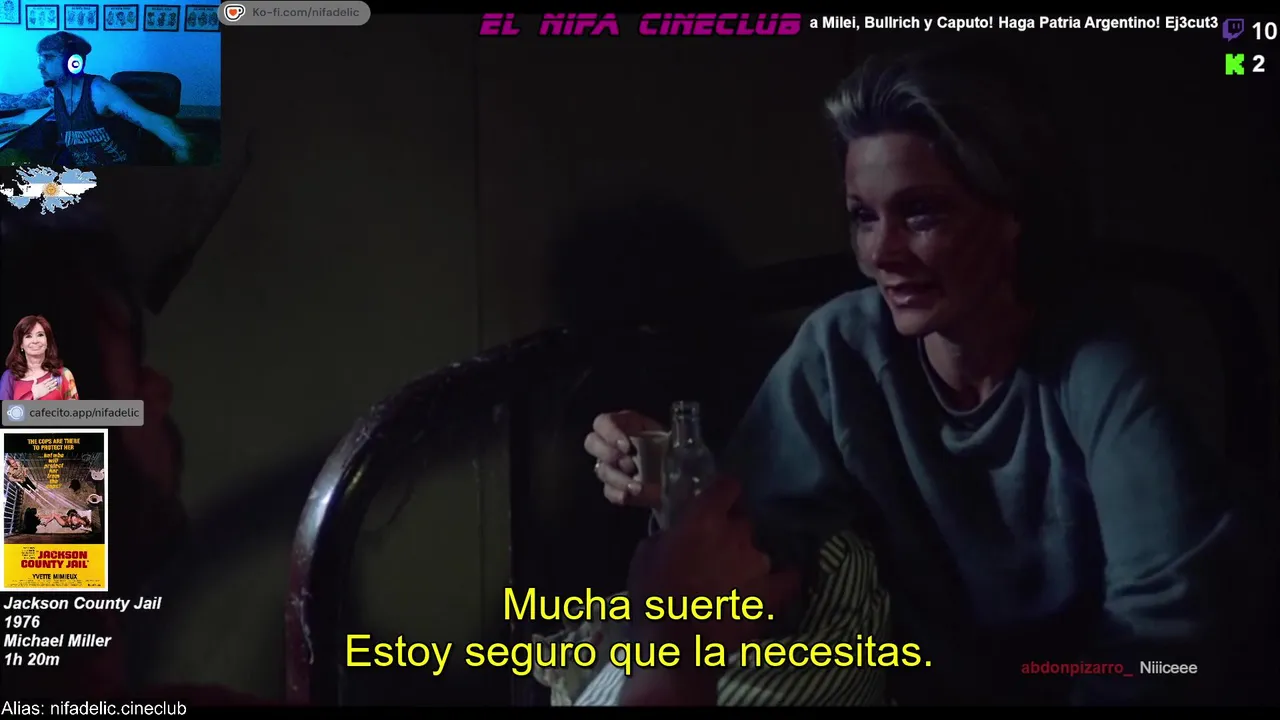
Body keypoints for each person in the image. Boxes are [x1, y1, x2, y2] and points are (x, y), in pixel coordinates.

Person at [584, 47, 1242, 705]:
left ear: (1012, 211)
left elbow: (1169, 633)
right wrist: (679, 489)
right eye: (863, 216)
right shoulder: (841, 349)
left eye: (922, 211)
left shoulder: (1096, 367)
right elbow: (757, 577)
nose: (881, 253)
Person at [0, 32, 192, 166]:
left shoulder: (99, 91)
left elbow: (151, 120)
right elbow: (15, 101)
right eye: (40, 59)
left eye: (48, 58)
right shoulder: (51, 94)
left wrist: (181, 145)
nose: (40, 66)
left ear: (73, 61)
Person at [2, 315, 79, 400]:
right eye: (28, 336)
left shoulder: (64, 374)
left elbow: (74, 408)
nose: (35, 341)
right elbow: (5, 408)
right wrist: (33, 395)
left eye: (40, 335)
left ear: (47, 341)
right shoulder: (9, 377)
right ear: (21, 344)